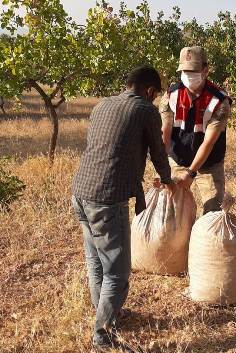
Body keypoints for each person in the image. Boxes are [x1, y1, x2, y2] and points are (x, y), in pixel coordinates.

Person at [71, 65, 176, 351]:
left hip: (80, 192)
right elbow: (158, 151)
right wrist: (169, 181)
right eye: (156, 95)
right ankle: (103, 337)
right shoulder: (145, 110)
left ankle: (108, 313)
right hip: (107, 198)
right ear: (150, 91)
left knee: (96, 261)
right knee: (117, 271)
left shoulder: (103, 104)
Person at [159, 46, 232, 214]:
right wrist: (163, 170)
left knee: (214, 210)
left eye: (192, 71)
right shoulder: (171, 95)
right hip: (179, 159)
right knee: (173, 212)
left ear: (205, 70)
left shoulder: (220, 102)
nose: (188, 75)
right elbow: (165, 132)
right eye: (184, 71)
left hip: (209, 164)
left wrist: (191, 173)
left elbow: (209, 142)